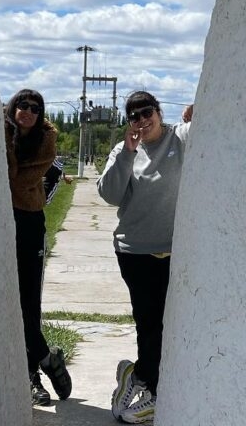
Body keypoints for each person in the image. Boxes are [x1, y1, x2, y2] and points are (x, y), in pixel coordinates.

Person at [97, 92, 193, 424]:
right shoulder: (124, 151)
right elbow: (109, 194)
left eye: (147, 112)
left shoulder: (177, 138)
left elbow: (209, 127)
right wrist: (127, 151)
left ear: (158, 111)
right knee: (151, 323)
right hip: (134, 252)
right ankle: (149, 389)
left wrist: (200, 108)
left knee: (165, 324)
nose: (142, 120)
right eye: (134, 116)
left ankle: (137, 377)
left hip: (174, 252)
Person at [4, 89, 72, 406]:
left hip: (29, 222)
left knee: (28, 303)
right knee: (9, 303)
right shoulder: (0, 132)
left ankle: (33, 376)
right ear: (12, 106)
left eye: (35, 108)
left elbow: (15, 183)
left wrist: (8, 164)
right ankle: (47, 358)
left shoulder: (46, 141)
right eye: (22, 104)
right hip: (0, 225)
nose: (27, 111)